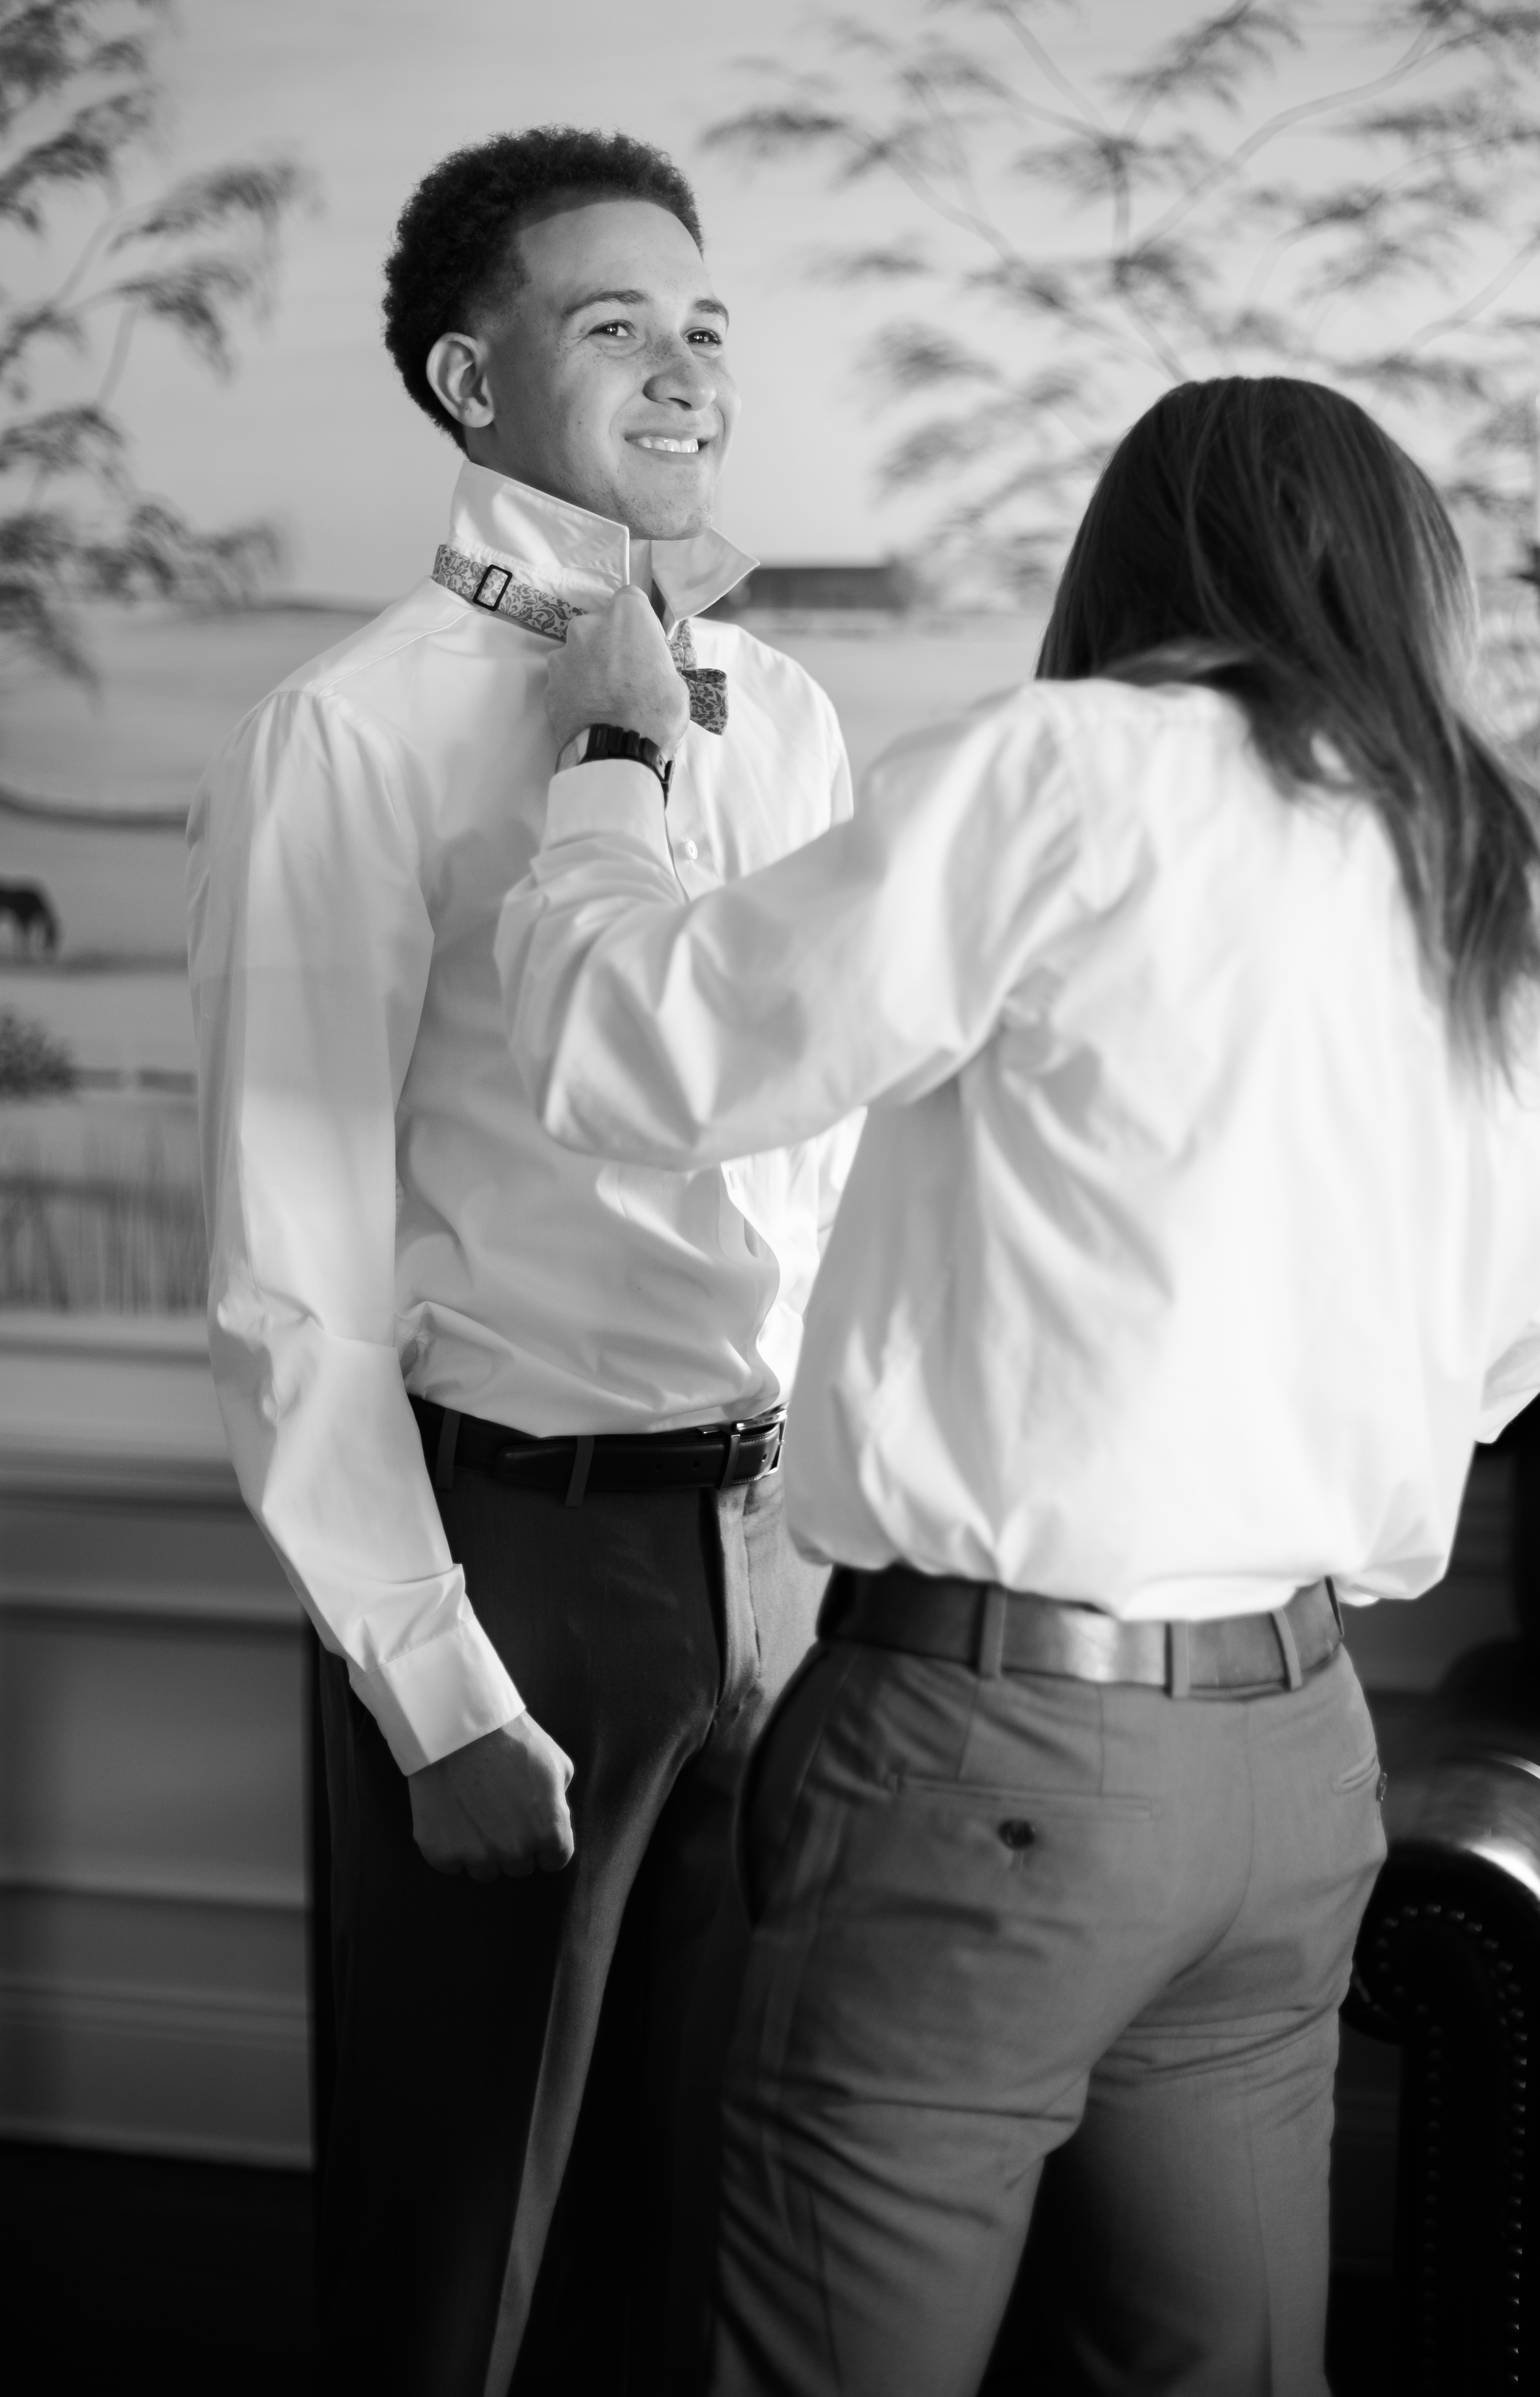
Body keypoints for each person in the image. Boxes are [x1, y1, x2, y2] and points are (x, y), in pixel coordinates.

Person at [496, 373, 1540, 2396]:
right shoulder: (1530, 892)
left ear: (1136, 565)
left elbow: (634, 1051)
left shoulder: (1068, 774)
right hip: (1295, 1760)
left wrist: (610, 760)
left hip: (993, 1752)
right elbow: (1508, 1340)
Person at [187, 128, 852, 2397]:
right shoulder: (347, 733)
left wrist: (826, 1544)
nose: (686, 370)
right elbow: (287, 1264)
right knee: (466, 2247)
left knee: (708, 2227)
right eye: (614, 324)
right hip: (512, 1561)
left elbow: (824, 1161)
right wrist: (434, 1679)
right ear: (472, 381)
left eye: (705, 326)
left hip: (774, 1558)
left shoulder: (794, 714)